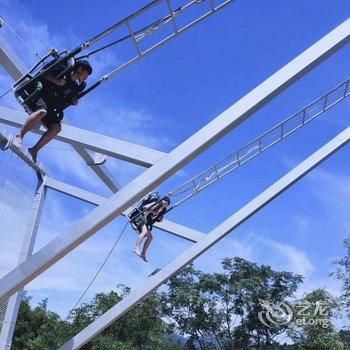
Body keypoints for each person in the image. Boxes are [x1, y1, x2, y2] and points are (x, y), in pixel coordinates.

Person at [13, 59, 92, 163]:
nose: (87, 77)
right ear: (80, 69)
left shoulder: (74, 87)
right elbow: (44, 74)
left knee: (57, 127)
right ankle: (19, 136)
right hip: (40, 96)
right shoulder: (64, 70)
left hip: (51, 106)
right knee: (42, 112)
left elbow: (66, 99)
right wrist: (57, 81)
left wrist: (73, 101)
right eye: (87, 73)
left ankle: (34, 150)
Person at [133, 196, 171, 262]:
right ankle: (136, 247)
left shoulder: (162, 210)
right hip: (140, 217)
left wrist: (159, 217)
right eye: (165, 203)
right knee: (144, 232)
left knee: (150, 237)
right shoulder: (156, 203)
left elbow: (154, 218)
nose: (165, 205)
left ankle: (143, 253)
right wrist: (153, 212)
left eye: (166, 204)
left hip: (146, 221)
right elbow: (144, 208)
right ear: (162, 201)